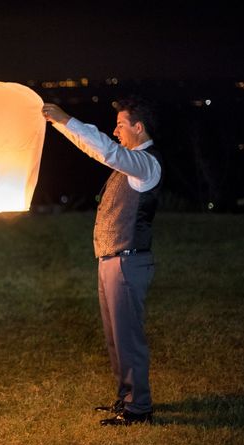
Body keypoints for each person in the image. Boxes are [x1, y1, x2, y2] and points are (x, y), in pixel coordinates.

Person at [43, 96, 162, 426]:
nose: (115, 130)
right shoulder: (131, 162)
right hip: (112, 260)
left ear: (139, 127)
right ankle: (126, 400)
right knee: (115, 338)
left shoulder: (146, 164)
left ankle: (139, 409)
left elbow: (107, 150)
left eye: (121, 125)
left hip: (128, 262)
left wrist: (67, 118)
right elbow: (96, 149)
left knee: (128, 339)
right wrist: (60, 126)